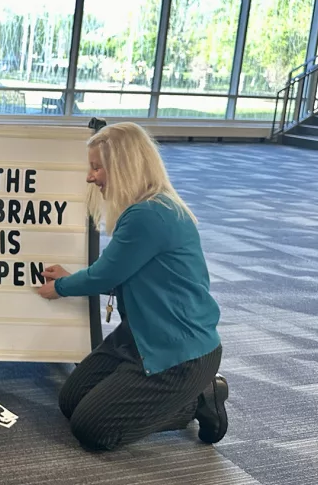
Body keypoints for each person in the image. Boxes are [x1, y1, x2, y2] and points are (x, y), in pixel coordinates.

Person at [38, 122, 228, 451]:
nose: (90, 176)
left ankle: (197, 399)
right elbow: (126, 272)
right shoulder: (154, 205)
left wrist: (62, 287)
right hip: (140, 335)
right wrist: (73, 277)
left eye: (97, 167)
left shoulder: (148, 215)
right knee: (71, 401)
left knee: (92, 430)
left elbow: (104, 277)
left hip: (179, 353)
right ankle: (158, 397)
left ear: (123, 166)